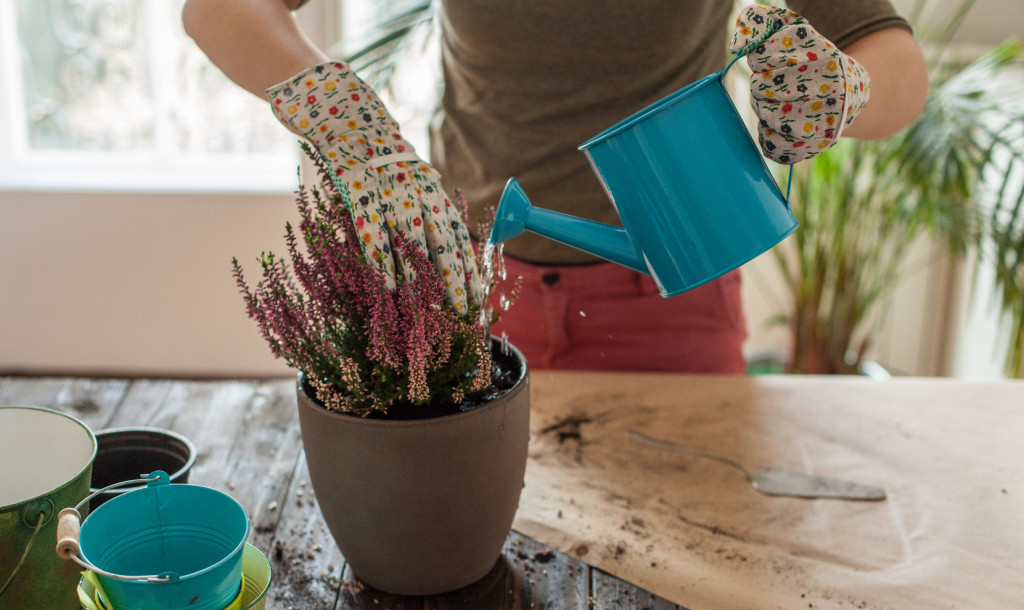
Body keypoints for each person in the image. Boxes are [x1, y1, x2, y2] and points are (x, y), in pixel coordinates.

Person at [182, 0, 928, 373]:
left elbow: (900, 69)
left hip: (674, 291)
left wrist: (843, 91)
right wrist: (349, 125)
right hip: (463, 284)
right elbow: (218, 8)